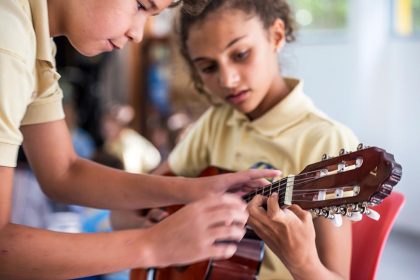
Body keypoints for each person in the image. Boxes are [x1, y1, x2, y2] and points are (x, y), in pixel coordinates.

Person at [0, 0, 281, 279]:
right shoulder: (8, 41)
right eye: (140, 5)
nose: (138, 34)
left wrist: (192, 189)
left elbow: (63, 172)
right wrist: (154, 245)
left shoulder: (35, 40)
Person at [112, 0, 360, 279]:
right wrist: (160, 229)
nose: (227, 80)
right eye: (208, 68)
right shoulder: (218, 122)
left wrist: (302, 262)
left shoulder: (325, 139)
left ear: (276, 36)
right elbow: (128, 211)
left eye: (240, 54)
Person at [101, 103, 161, 174]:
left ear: (119, 124)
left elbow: (133, 172)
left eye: (111, 124)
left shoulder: (130, 142)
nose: (108, 128)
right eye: (105, 126)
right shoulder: (110, 142)